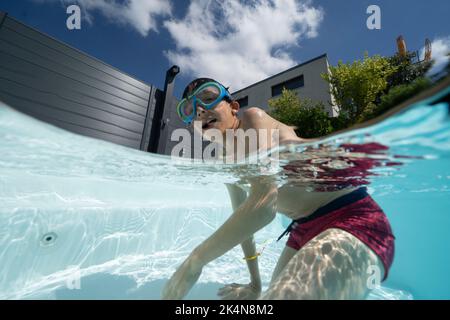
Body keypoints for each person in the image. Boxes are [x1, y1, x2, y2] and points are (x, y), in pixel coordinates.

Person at [162, 78, 395, 300]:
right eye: (189, 110)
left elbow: (264, 205)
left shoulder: (253, 119)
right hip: (302, 230)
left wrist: (196, 259)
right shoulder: (224, 161)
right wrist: (255, 285)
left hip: (354, 218)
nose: (200, 110)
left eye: (208, 97)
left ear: (233, 106)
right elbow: (244, 223)